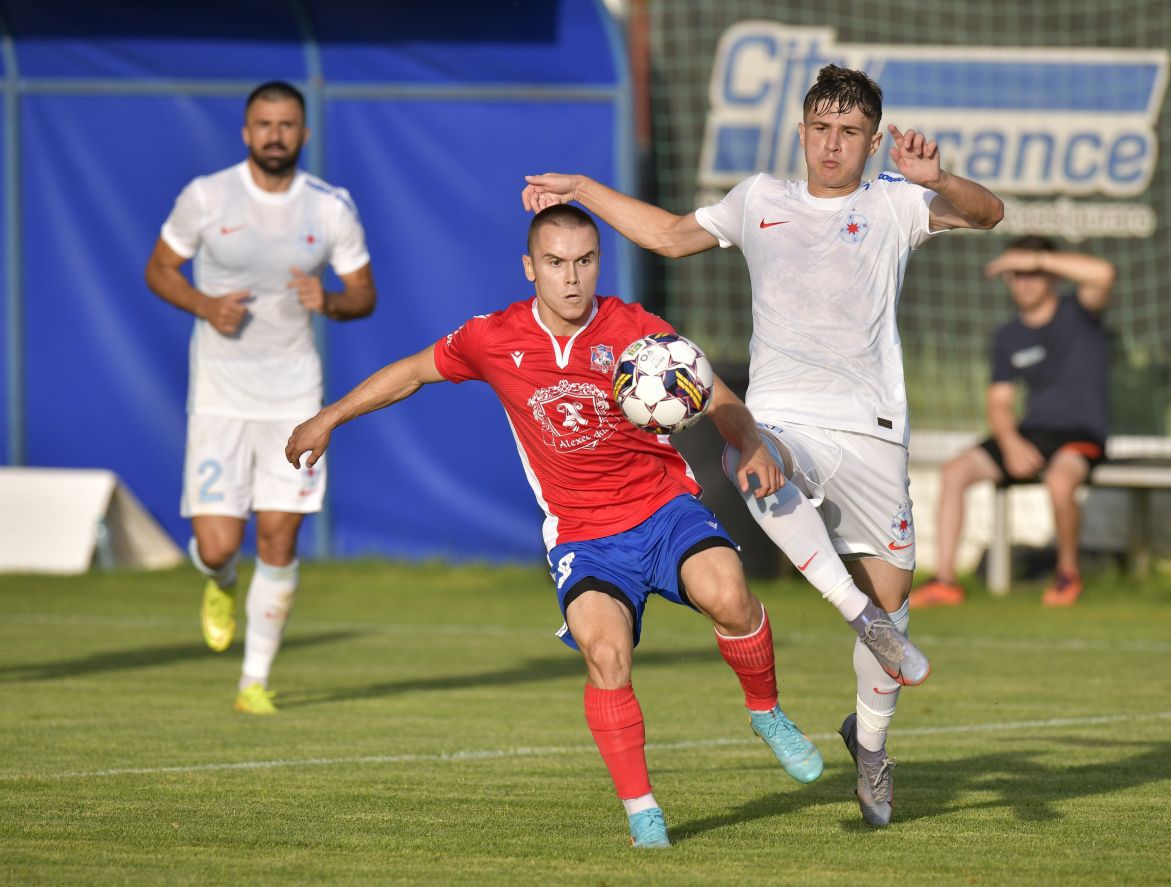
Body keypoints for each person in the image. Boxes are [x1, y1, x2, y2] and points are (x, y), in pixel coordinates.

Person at [521, 64, 1004, 826]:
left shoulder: (896, 202)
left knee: (895, 603)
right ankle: (854, 612)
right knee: (752, 460)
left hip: (873, 431)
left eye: (849, 133)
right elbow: (670, 236)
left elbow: (989, 213)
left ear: (873, 141)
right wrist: (582, 187)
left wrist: (939, 175)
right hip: (785, 418)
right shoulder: (760, 200)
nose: (831, 145)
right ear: (803, 131)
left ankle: (870, 746)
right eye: (820, 129)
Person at [288, 204, 834, 849]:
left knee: (731, 595)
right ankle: (642, 811)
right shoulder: (494, 337)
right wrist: (328, 417)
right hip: (582, 535)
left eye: (584, 261)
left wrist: (752, 443)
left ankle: (766, 712)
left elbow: (715, 396)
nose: (571, 278)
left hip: (662, 510)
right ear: (530, 268)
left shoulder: (637, 330)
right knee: (606, 655)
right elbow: (412, 371)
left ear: (598, 263)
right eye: (555, 263)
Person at [145, 80, 377, 715]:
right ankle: (218, 581)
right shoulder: (207, 196)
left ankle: (253, 681)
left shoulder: (330, 207)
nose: (275, 135)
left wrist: (327, 300)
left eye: (287, 124)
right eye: (264, 124)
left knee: (278, 539)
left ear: (304, 133)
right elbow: (158, 268)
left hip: (293, 398)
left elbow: (363, 295)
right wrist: (203, 304)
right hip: (220, 395)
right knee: (219, 544)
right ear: (246, 132)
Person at [911, 236, 1116, 609]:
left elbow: (1103, 274)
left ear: (1052, 275)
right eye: (1018, 274)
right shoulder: (1008, 337)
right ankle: (944, 581)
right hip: (1030, 435)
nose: (1026, 282)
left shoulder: (1080, 311)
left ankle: (1067, 575)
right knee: (955, 471)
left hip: (1080, 435)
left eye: (1035, 273)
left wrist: (1036, 258)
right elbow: (1000, 403)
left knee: (1059, 479)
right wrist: (1010, 444)